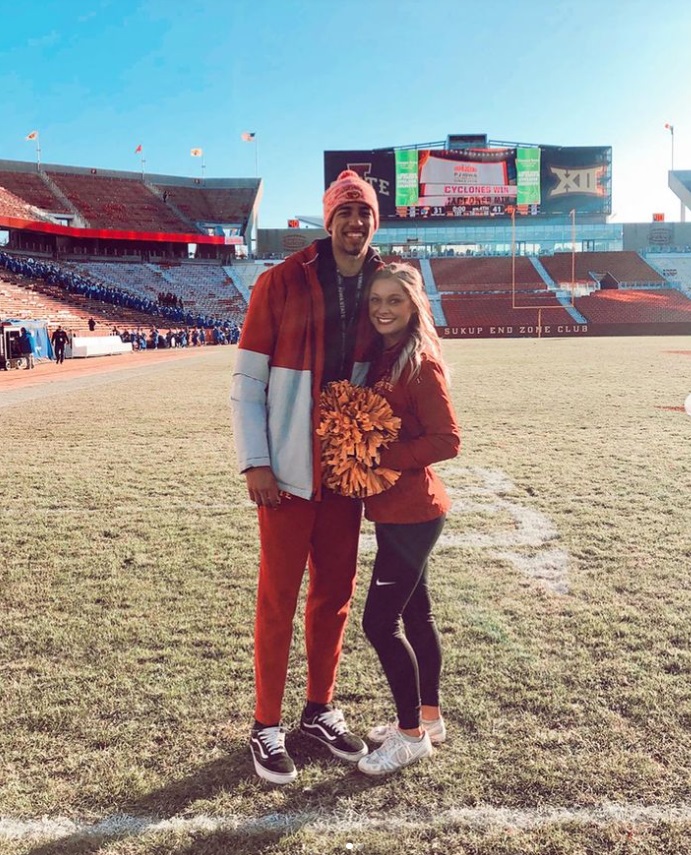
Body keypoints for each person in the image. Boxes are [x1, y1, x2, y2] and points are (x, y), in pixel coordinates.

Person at [231, 170, 384, 785]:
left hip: (346, 473)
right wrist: (256, 461)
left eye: (365, 214)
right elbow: (248, 381)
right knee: (278, 599)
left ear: (376, 221)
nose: (355, 223)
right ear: (329, 219)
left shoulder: (386, 282)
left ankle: (318, 710)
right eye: (346, 212)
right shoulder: (280, 281)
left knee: (334, 598)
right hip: (289, 472)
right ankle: (265, 724)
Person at [355, 262, 460, 777]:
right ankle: (430, 717)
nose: (382, 309)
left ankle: (411, 736)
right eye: (375, 299)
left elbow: (448, 440)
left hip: (413, 513)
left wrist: (382, 454)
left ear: (413, 305)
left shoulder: (420, 363)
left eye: (394, 300)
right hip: (396, 510)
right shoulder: (384, 356)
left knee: (379, 622)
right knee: (417, 617)